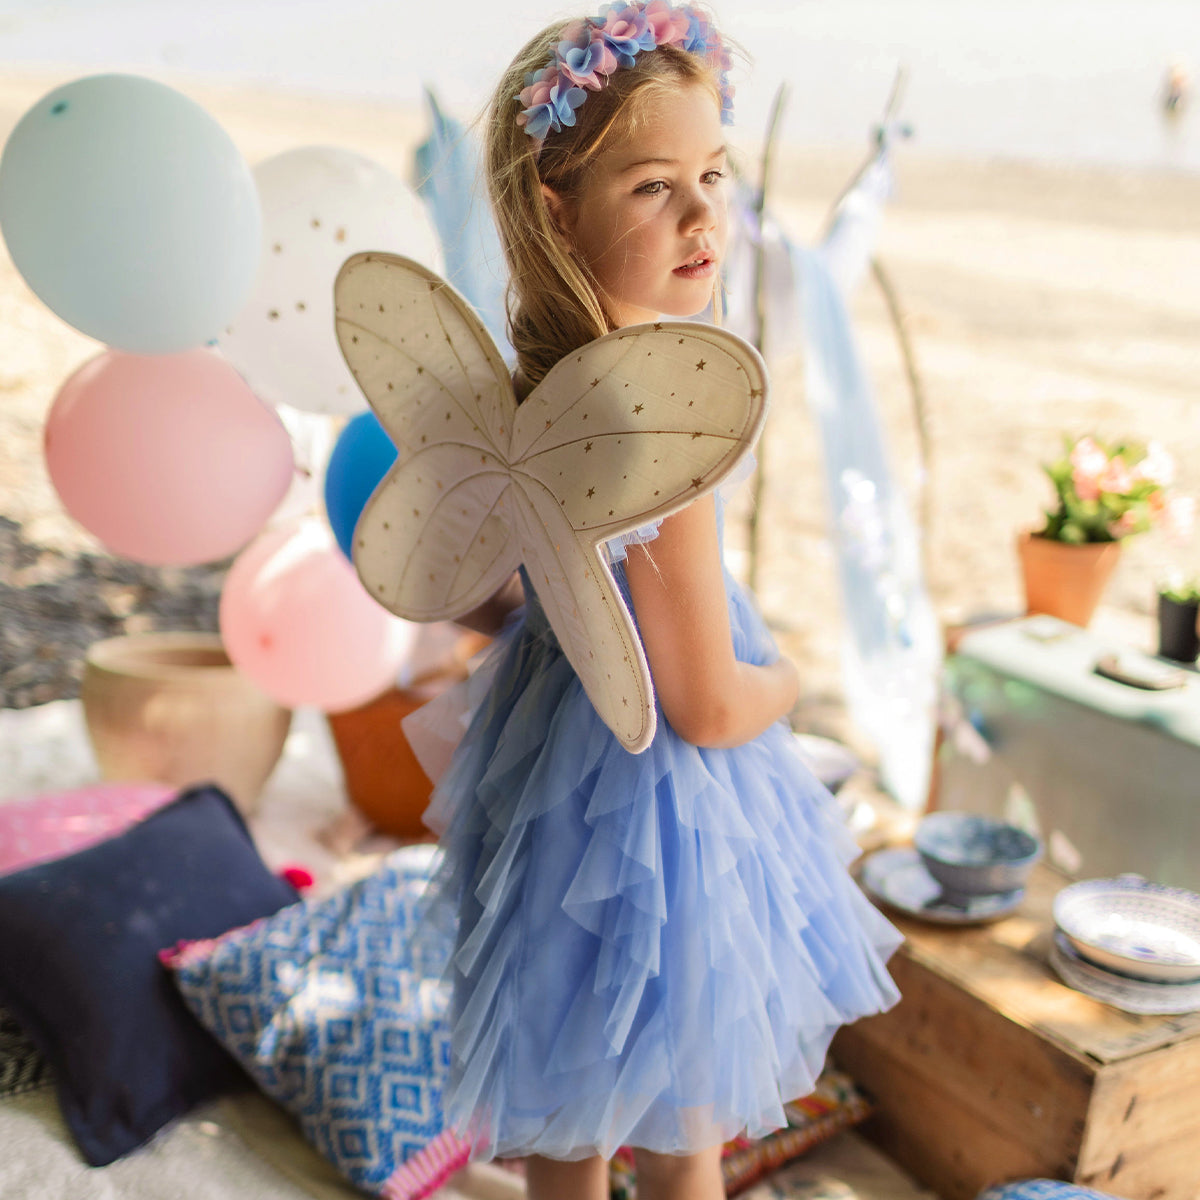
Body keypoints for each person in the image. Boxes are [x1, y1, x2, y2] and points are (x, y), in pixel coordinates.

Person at [408, 5, 902, 1198]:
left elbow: (485, 591)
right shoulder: (665, 419)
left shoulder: (532, 383)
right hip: (661, 802)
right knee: (684, 1106)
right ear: (554, 205)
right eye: (650, 186)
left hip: (548, 768)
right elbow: (706, 704)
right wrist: (788, 683)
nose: (700, 216)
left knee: (564, 1087)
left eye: (713, 176)